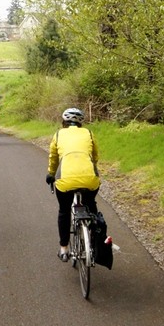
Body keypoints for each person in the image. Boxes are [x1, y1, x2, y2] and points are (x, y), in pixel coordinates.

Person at [45, 107, 100, 262]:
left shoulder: (58, 134)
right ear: (81, 122)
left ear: (64, 121)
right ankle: (94, 240)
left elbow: (53, 158)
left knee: (64, 210)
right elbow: (95, 156)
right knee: (90, 204)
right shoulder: (88, 133)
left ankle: (64, 248)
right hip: (89, 177)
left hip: (66, 180)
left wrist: (50, 174)